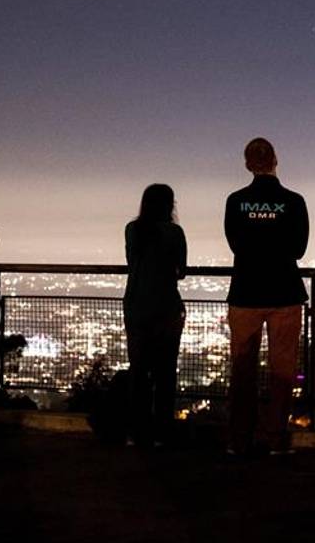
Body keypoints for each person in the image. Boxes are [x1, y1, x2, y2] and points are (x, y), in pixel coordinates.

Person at [225, 137, 309, 456]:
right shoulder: (295, 201)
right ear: (276, 159)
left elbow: (236, 245)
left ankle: (239, 440)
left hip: (245, 292)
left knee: (242, 369)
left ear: (248, 164)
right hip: (285, 291)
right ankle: (276, 438)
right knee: (282, 370)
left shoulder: (235, 202)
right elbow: (299, 249)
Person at [123, 184, 187, 447]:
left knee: (139, 371)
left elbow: (131, 262)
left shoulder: (133, 229)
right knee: (165, 372)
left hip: (137, 305)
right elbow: (181, 270)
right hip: (167, 306)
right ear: (170, 205)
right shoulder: (174, 232)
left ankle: (137, 432)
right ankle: (163, 432)